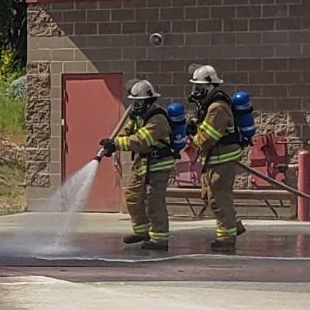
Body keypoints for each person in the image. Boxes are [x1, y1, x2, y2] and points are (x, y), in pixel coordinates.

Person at [98, 79, 174, 252]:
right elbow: (127, 131)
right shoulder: (138, 117)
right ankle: (142, 231)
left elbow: (141, 141)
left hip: (159, 164)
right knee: (132, 196)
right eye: (134, 101)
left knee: (154, 202)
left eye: (139, 101)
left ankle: (160, 239)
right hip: (143, 162)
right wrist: (111, 143)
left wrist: (117, 144)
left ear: (148, 101)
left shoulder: (158, 119)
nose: (136, 105)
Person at [186, 65, 245, 254]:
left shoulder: (217, 107)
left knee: (219, 198)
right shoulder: (210, 105)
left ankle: (227, 238)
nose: (195, 91)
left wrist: (193, 136)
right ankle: (233, 225)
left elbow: (207, 138)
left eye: (198, 87)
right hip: (215, 158)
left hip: (222, 159)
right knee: (209, 196)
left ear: (208, 87)